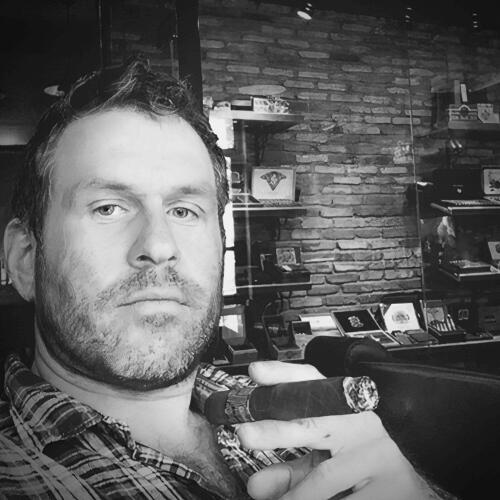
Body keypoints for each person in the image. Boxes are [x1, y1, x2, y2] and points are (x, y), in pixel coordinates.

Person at [0, 59, 448, 499]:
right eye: (108, 208)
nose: (159, 245)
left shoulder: (301, 419)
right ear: (24, 259)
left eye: (184, 211)